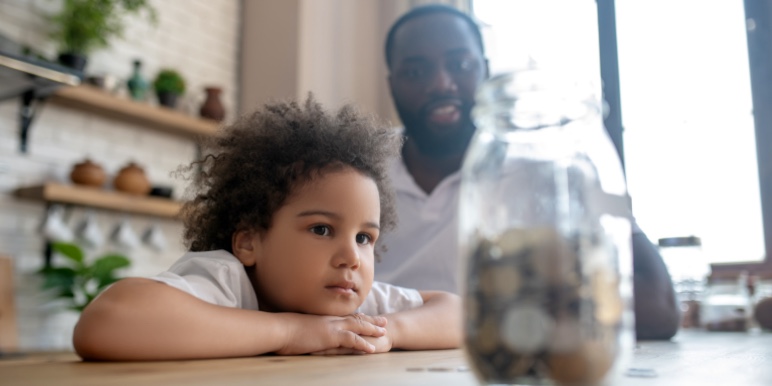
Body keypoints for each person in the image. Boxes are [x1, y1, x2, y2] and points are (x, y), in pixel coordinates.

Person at [72, 96, 462, 361]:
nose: (351, 258)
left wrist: (390, 331)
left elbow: (461, 314)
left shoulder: (354, 308)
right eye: (322, 230)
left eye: (364, 238)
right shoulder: (225, 281)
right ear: (248, 242)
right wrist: (290, 332)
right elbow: (107, 321)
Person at [376, 4, 680, 340]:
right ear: (391, 84)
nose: (441, 84)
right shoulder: (361, 169)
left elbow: (659, 309)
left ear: (485, 70)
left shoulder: (552, 159)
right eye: (416, 72)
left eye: (460, 65)